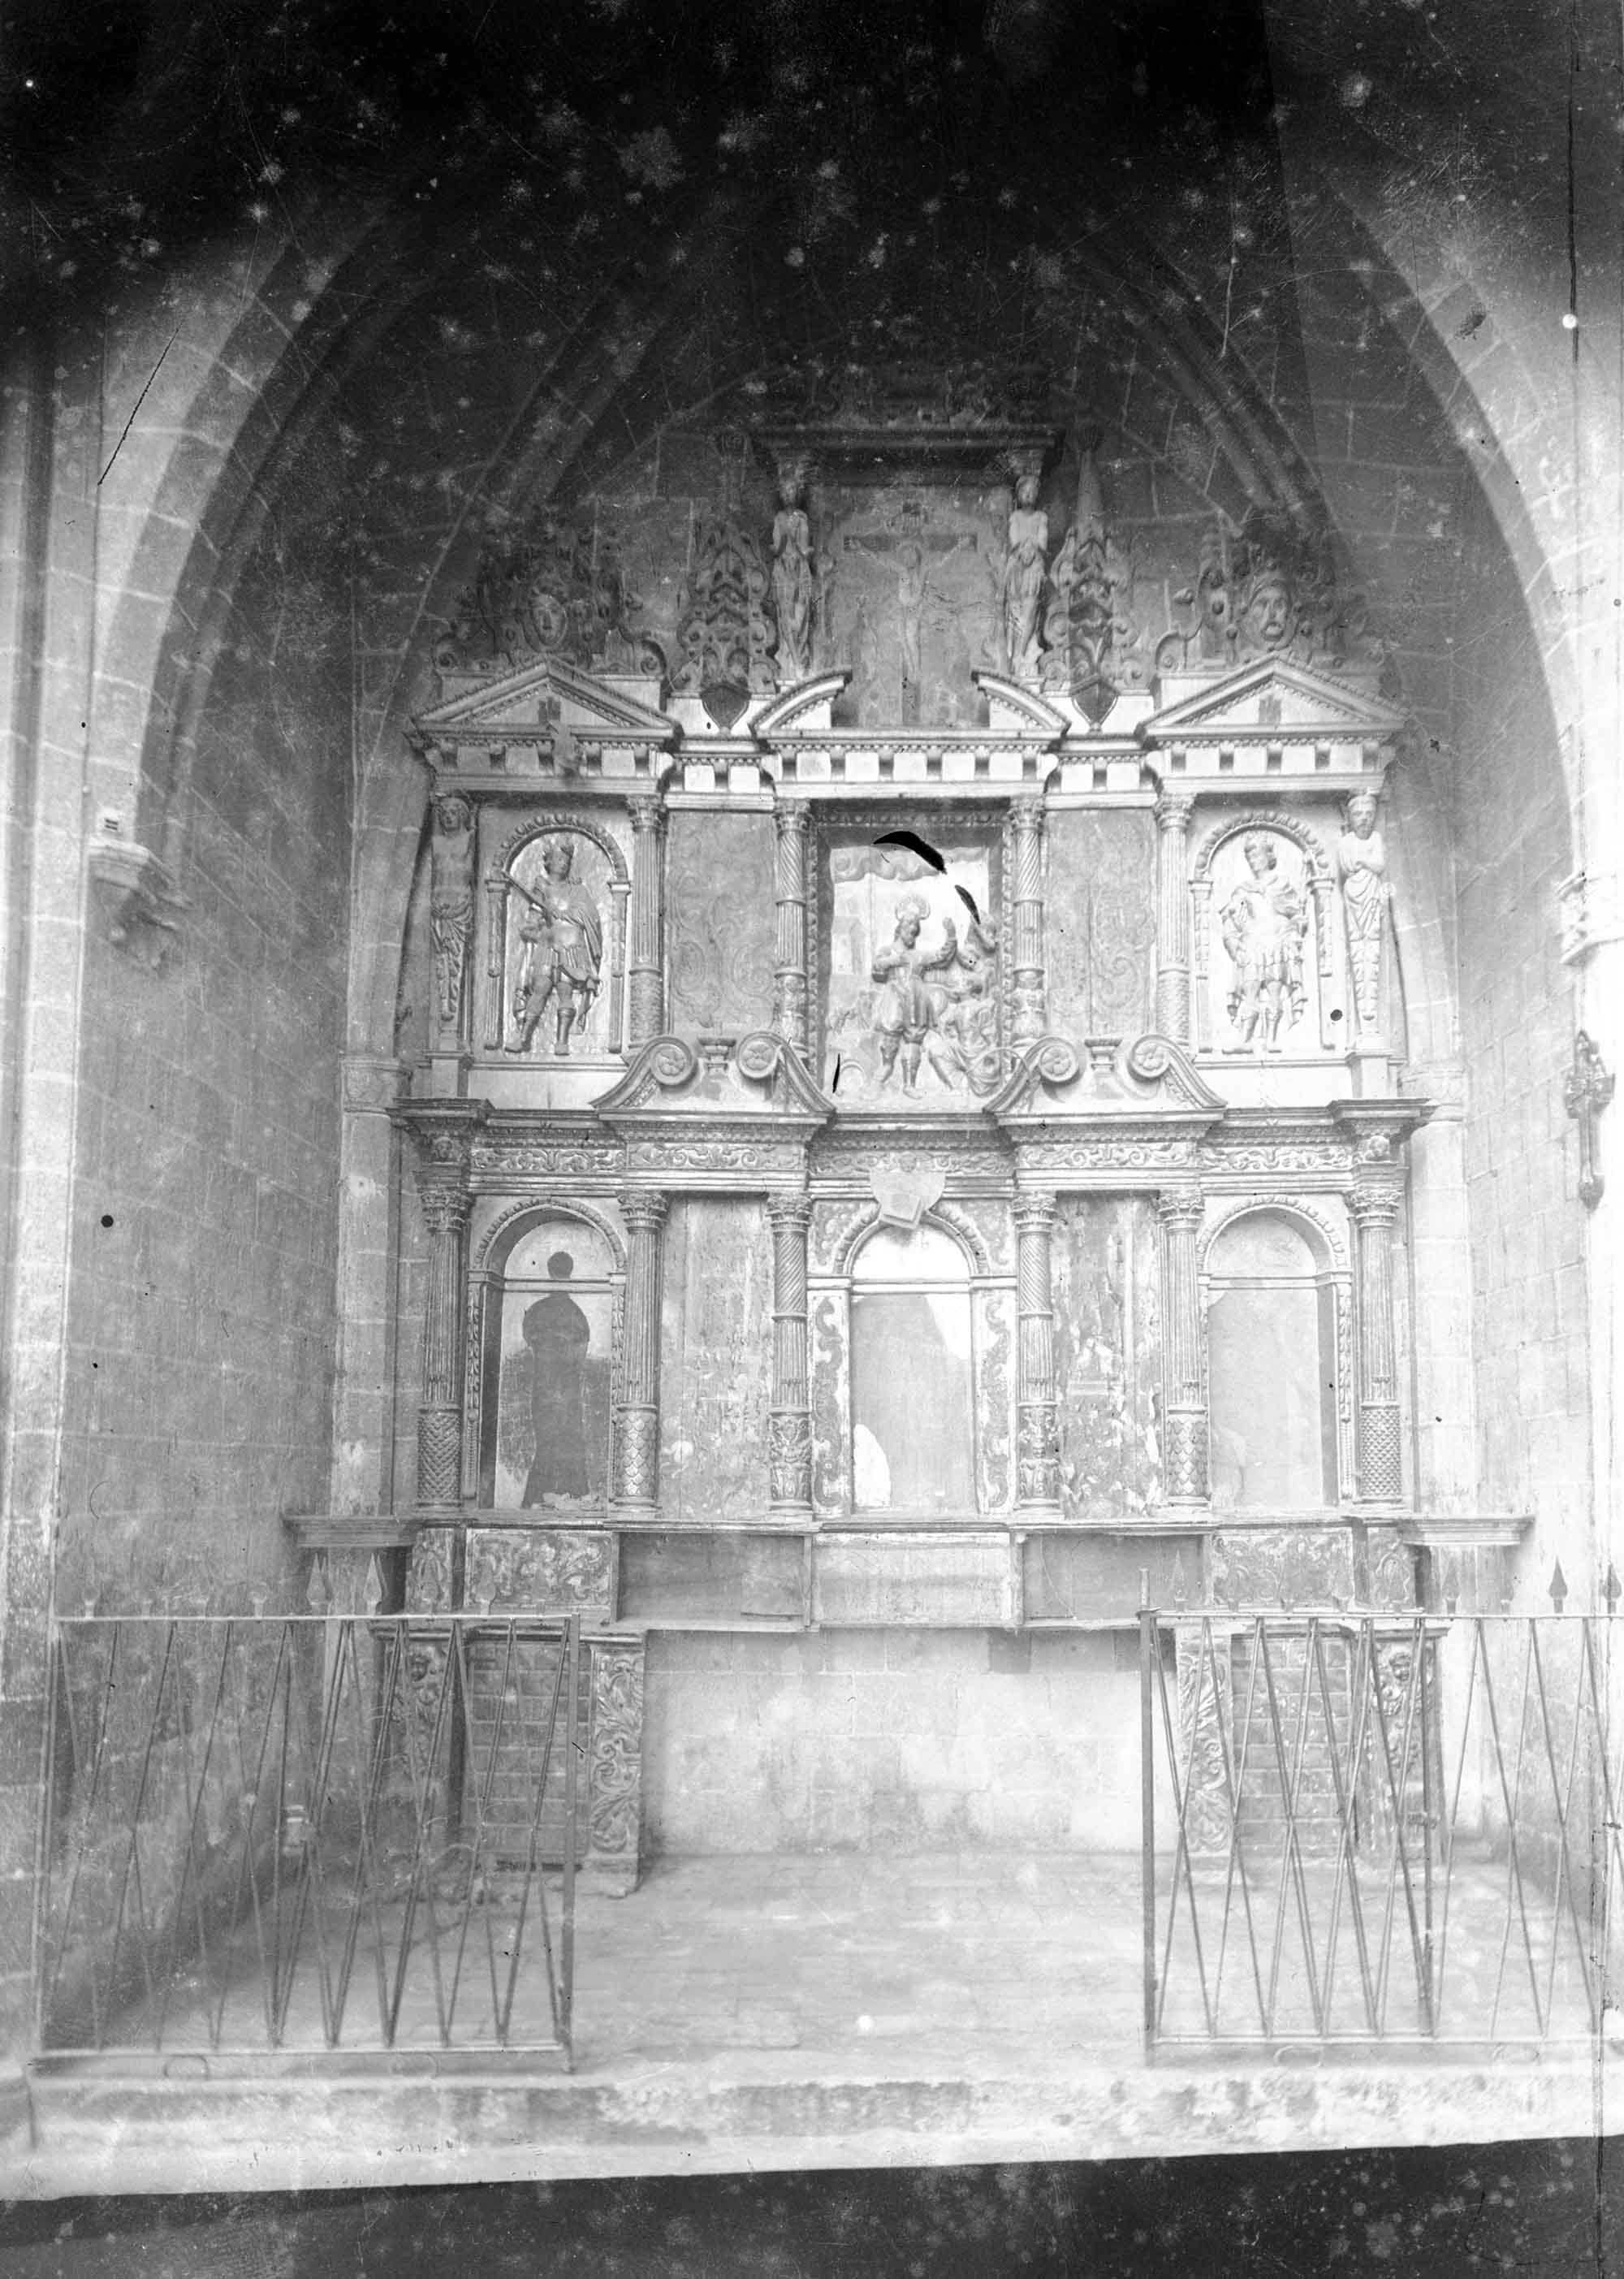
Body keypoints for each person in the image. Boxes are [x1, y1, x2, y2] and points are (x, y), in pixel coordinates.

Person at [506, 837, 603, 1057]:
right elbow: (531, 921)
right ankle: (523, 1038)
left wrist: (567, 915)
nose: (563, 863)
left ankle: (562, 1042)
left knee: (565, 990)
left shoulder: (577, 890)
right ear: (547, 861)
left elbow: (590, 916)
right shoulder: (541, 888)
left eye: (566, 859)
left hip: (571, 945)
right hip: (548, 945)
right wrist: (536, 928)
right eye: (558, 858)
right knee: (540, 987)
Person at [1219, 832, 1308, 1052]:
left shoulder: (1282, 885)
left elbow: (1296, 915)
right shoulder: (1243, 888)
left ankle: (1272, 1039)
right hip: (1252, 943)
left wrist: (1294, 929)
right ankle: (1245, 1040)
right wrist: (1233, 943)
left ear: (1269, 856)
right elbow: (1231, 919)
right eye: (1249, 855)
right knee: (1250, 991)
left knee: (1274, 990)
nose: (1253, 860)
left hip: (1276, 943)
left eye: (1257, 854)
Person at [869, 895, 961, 1092]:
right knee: (891, 1032)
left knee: (913, 1038)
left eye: (915, 929)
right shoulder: (888, 950)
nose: (912, 931)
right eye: (909, 927)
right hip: (895, 994)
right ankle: (883, 1073)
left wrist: (951, 935)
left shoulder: (919, 956)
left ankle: (909, 1085)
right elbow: (877, 967)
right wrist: (892, 961)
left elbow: (942, 957)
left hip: (916, 998)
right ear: (900, 929)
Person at [520, 1253, 592, 1503]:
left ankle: (539, 1498)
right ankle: (567, 1495)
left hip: (545, 1386)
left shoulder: (538, 1311)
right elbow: (581, 1353)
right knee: (568, 1439)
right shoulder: (576, 1313)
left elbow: (530, 1340)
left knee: (549, 1440)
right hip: (565, 1387)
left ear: (550, 1272)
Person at [1337, 792, 1387, 1033]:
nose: (1364, 819)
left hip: (1371, 892)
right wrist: (1366, 862)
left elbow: (1378, 864)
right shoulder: (1346, 841)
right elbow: (1348, 865)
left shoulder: (1376, 838)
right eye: (1358, 814)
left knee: (1371, 945)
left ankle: (1369, 1014)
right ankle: (1366, 1017)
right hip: (1354, 893)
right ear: (1350, 817)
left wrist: (1364, 862)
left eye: (1369, 814)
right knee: (1358, 945)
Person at [1001, 474, 1049, 680]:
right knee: (1015, 613)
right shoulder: (1015, 517)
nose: (1028, 494)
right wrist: (1024, 547)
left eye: (1032, 491)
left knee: (1030, 612)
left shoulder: (1041, 518)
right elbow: (1014, 542)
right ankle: (1015, 655)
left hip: (1033, 568)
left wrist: (1031, 546)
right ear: (1019, 495)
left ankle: (1021, 655)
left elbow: (1043, 543)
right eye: (1024, 491)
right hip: (1017, 567)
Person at [771, 473, 814, 681]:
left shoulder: (802, 518)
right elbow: (777, 547)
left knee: (800, 616)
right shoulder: (779, 518)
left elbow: (804, 548)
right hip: (783, 571)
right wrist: (785, 535)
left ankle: (799, 660)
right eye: (785, 492)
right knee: (786, 618)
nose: (789, 495)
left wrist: (796, 540)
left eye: (792, 491)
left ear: (797, 495)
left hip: (799, 570)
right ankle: (795, 662)